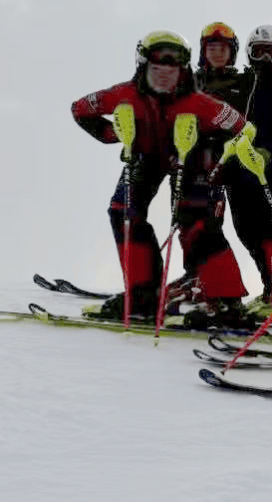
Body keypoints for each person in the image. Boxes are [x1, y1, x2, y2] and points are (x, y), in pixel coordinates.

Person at [71, 30, 252, 326]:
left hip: (190, 157)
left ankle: (225, 301)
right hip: (144, 154)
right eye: (158, 69)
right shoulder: (123, 95)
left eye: (174, 69)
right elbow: (80, 109)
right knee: (123, 212)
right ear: (143, 66)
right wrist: (112, 134)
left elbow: (243, 129)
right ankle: (143, 296)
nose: (166, 75)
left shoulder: (199, 103)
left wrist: (215, 151)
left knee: (194, 219)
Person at [200, 25, 272, 321]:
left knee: (263, 227)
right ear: (248, 52)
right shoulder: (244, 81)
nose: (266, 60)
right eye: (260, 52)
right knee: (245, 229)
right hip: (234, 162)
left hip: (263, 165)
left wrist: (266, 152)